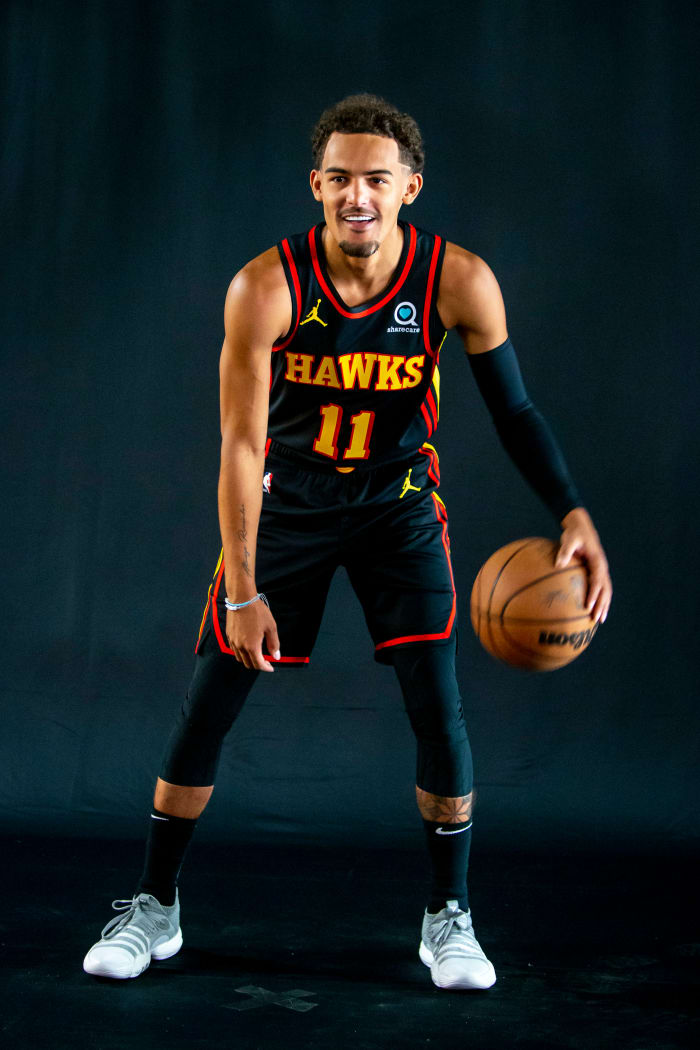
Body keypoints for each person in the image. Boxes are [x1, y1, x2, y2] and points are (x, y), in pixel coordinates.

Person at [83, 94, 612, 990]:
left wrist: (571, 510)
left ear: (410, 186)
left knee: (436, 707)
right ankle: (154, 905)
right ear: (317, 187)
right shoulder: (268, 285)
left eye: (377, 178)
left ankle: (450, 917)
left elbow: (514, 410)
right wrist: (244, 592)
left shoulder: (457, 280)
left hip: (398, 505)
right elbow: (242, 446)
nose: (357, 196)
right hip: (286, 503)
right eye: (340, 179)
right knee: (210, 701)